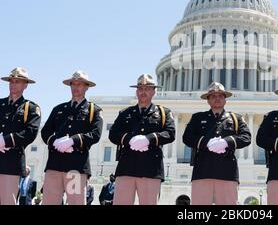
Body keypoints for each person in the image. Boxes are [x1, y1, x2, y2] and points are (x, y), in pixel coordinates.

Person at [109, 74, 175, 205]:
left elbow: (170, 133)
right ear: (136, 91)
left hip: (151, 169)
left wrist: (148, 139)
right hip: (126, 167)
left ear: (154, 91)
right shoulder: (125, 113)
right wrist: (130, 139)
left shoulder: (163, 113)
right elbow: (113, 134)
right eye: (140, 88)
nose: (143, 92)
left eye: (147, 88)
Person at [182, 82, 251, 205]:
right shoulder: (197, 118)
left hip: (227, 173)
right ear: (208, 100)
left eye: (220, 96)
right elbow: (187, 137)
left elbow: (246, 137)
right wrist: (206, 143)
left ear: (225, 99)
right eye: (213, 96)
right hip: (203, 172)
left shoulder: (236, 118)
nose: (217, 98)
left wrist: (226, 142)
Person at [41, 70, 103, 205]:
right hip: (55, 164)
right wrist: (55, 142)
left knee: (75, 202)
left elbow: (95, 134)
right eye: (73, 84)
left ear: (87, 87)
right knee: (49, 202)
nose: (76, 87)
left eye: (79, 84)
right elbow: (45, 132)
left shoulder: (94, 111)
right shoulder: (58, 109)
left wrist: (72, 141)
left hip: (76, 165)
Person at [0, 67, 41, 205]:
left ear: (25, 85)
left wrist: (4, 141)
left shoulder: (30, 108)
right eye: (11, 81)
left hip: (11, 163)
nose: (13, 84)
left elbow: (30, 132)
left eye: (17, 81)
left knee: (7, 201)